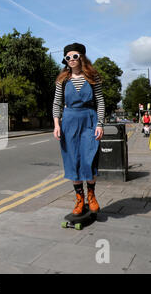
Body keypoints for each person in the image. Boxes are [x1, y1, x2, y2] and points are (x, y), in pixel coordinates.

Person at [53, 43, 105, 216]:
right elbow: (57, 103)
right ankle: (79, 199)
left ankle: (92, 195)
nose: (72, 60)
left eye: (75, 56)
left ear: (82, 57)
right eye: (68, 57)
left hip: (89, 119)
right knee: (73, 160)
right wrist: (56, 124)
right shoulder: (62, 80)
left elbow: (100, 102)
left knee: (89, 158)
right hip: (69, 121)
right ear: (65, 60)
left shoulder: (92, 77)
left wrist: (100, 124)